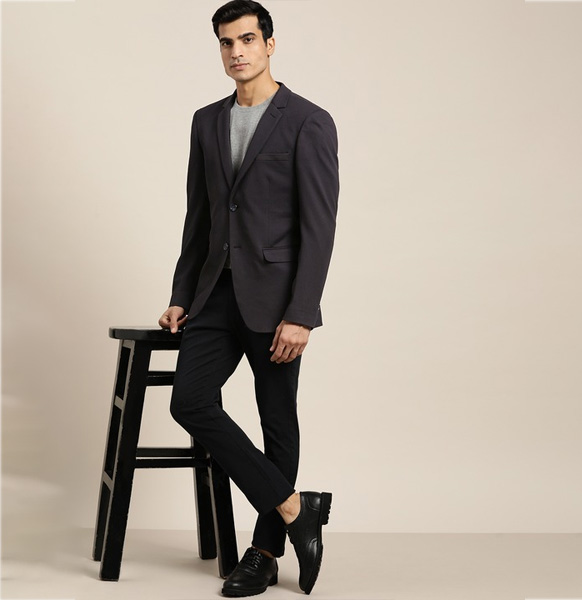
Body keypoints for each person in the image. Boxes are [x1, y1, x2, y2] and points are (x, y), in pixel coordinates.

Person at [158, 0, 339, 595]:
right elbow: (199, 217)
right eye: (226, 42)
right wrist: (182, 293)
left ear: (269, 44)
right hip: (214, 294)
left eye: (247, 39)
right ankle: (296, 508)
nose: (236, 51)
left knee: (277, 423)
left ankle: (262, 554)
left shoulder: (308, 121)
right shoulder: (206, 121)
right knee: (190, 401)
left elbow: (318, 228)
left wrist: (301, 313)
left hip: (277, 303)